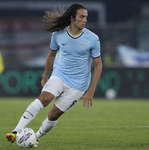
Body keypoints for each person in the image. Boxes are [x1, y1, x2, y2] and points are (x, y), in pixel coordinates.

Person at [6, 3, 102, 147]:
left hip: (78, 84)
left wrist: (91, 90)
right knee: (44, 98)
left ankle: (35, 137)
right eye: (81, 17)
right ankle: (15, 131)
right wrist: (45, 76)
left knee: (53, 114)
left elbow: (99, 65)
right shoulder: (58, 34)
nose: (85, 20)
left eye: (86, 17)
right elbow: (51, 55)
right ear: (72, 18)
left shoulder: (93, 39)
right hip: (59, 74)